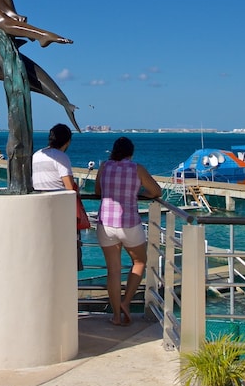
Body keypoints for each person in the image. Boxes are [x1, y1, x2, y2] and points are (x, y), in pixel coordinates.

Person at [93, 136, 162, 326]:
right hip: (129, 223)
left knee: (113, 271)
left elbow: (98, 191)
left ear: (114, 151)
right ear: (130, 153)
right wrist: (141, 194)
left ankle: (116, 316)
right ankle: (126, 302)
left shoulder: (104, 166)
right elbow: (157, 191)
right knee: (140, 262)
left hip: (106, 224)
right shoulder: (136, 168)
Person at [32, 123, 89, 271]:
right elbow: (69, 187)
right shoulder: (61, 157)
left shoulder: (36, 155)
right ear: (68, 141)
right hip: (60, 212)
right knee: (67, 255)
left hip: (40, 211)